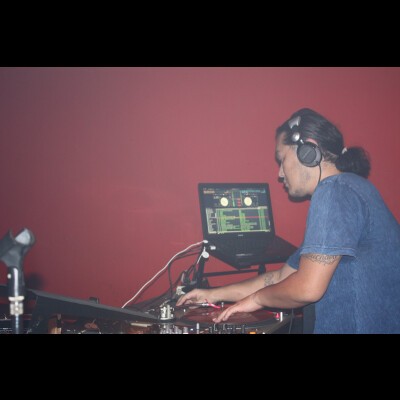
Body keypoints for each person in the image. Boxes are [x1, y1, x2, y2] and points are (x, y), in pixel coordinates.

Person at [177, 108, 400, 334]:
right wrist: (213, 294)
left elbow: (307, 288)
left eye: (282, 159)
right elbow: (280, 277)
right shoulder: (351, 189)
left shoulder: (334, 191)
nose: (280, 174)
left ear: (307, 151)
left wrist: (257, 299)